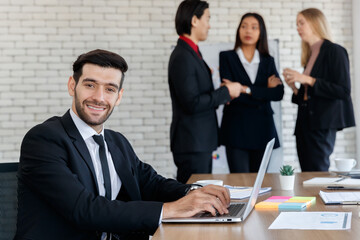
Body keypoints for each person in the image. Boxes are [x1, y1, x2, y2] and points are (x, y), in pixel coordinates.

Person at [15, 49, 231, 240]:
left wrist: (194, 193)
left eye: (109, 89)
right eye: (90, 85)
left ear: (119, 96)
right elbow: (84, 209)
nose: (99, 97)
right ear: (72, 85)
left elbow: (153, 184)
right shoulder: (44, 140)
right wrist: (170, 210)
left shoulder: (116, 142)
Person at [168, 0, 241, 183]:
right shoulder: (183, 56)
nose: (209, 25)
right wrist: (226, 92)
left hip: (198, 142)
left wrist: (225, 93)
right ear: (194, 20)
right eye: (207, 19)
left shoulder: (192, 53)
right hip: (192, 143)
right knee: (193, 199)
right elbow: (192, 103)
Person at [283, 8, 355, 172]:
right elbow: (310, 94)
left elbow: (343, 91)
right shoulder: (310, 54)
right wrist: (294, 87)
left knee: (317, 170)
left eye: (302, 23)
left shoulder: (335, 51)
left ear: (315, 23)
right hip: (305, 123)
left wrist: (307, 79)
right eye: (296, 24)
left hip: (322, 123)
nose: (298, 28)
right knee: (307, 172)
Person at [219, 13, 284, 173]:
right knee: (239, 183)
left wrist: (245, 89)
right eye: (244, 26)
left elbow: (278, 94)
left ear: (261, 32)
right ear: (238, 30)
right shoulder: (227, 57)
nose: (248, 31)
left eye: (254, 27)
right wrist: (264, 92)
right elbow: (231, 95)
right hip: (236, 129)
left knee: (258, 185)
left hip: (263, 129)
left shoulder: (268, 60)